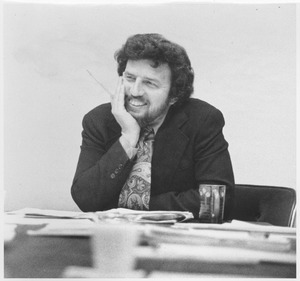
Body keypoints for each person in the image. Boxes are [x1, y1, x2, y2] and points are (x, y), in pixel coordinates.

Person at [71, 33, 235, 220]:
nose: (135, 91)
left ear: (174, 95)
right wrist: (128, 138)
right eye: (130, 78)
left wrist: (135, 208)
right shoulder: (98, 120)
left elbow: (216, 201)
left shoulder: (202, 120)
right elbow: (85, 199)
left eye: (149, 83)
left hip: (176, 241)